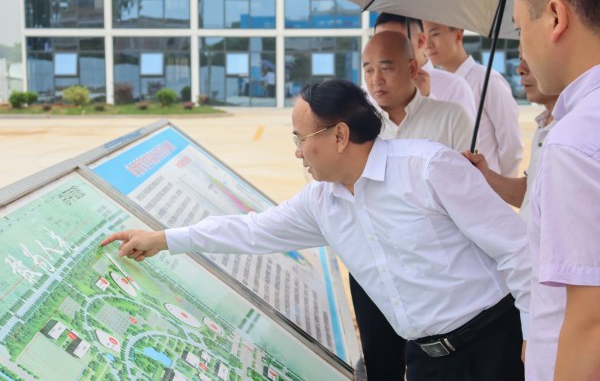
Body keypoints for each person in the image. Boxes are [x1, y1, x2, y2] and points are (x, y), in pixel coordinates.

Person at [102, 79, 531, 381]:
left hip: (494, 346)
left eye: (301, 139)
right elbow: (251, 230)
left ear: (340, 135)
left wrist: (536, 339)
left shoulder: (429, 168)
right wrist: (163, 239)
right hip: (425, 361)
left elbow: (518, 250)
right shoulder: (322, 201)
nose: (297, 153)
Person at [350, 30, 475, 381]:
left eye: (386, 67)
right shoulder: (356, 129)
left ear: (411, 67)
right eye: (368, 69)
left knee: (435, 365)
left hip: (436, 270)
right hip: (375, 264)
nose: (376, 79)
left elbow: (467, 196)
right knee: (382, 366)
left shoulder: (451, 118)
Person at [513, 0, 600, 380]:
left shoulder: (574, 140)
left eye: (519, 29)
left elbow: (590, 325)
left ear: (555, 17)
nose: (522, 52)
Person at [465, 48, 558, 222]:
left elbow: (511, 144)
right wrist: (485, 174)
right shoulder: (544, 123)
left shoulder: (578, 127)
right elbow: (530, 193)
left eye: (530, 56)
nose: (520, 69)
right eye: (520, 58)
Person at [422, 20, 524, 177]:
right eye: (423, 36)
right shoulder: (432, 86)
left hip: (487, 184)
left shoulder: (487, 79)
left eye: (435, 34)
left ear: (458, 34)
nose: (428, 44)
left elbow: (510, 143)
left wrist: (500, 186)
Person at [374, 13, 477, 118]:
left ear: (421, 41)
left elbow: (463, 129)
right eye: (379, 43)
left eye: (395, 43)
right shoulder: (370, 92)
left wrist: (426, 100)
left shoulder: (454, 87)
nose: (386, 51)